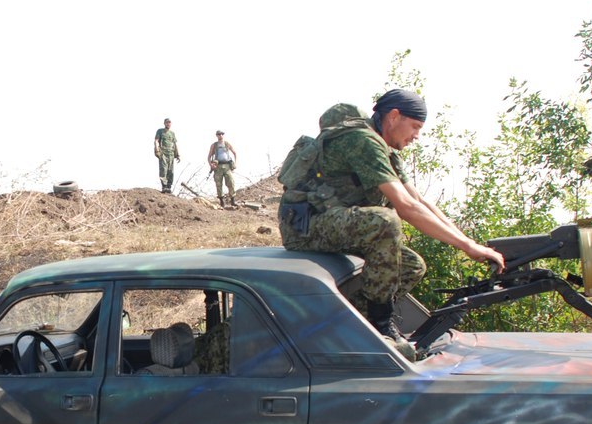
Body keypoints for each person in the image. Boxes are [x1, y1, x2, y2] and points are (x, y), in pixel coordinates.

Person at [278, 90, 504, 354]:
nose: (416, 136)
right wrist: (467, 247)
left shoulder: (385, 149)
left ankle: (340, 322)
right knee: (385, 220)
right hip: (305, 227)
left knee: (411, 266)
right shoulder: (361, 140)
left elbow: (418, 201)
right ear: (394, 116)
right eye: (415, 126)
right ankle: (381, 325)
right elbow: (406, 208)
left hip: (335, 225)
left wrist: (471, 244)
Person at [206, 130, 238, 207]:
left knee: (231, 182)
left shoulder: (227, 144)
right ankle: (221, 201)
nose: (220, 135)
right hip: (218, 167)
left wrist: (235, 164)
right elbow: (209, 156)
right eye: (219, 134)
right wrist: (211, 165)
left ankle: (232, 200)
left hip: (227, 166)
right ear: (216, 135)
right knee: (218, 184)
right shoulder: (214, 145)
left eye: (221, 134)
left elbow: (234, 153)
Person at [153, 118, 180, 193]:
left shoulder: (172, 133)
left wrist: (177, 154)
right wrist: (157, 150)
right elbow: (156, 141)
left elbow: (174, 144)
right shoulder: (160, 131)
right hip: (163, 153)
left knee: (170, 171)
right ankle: (164, 186)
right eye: (167, 122)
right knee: (163, 169)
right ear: (164, 123)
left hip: (171, 154)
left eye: (169, 123)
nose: (168, 124)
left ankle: (169, 186)